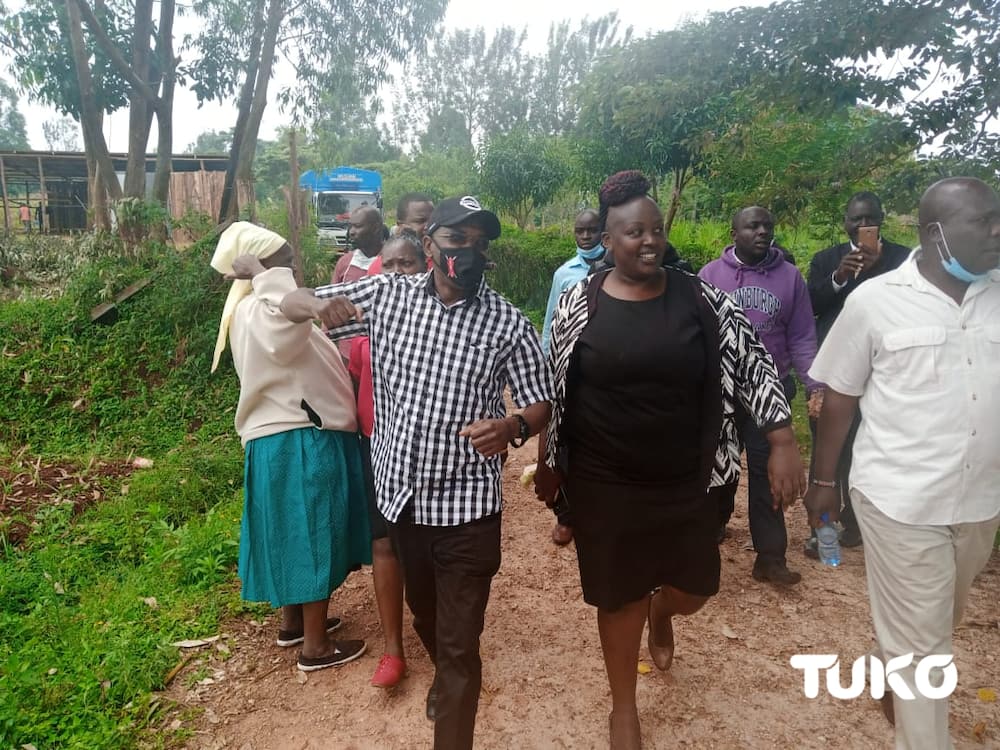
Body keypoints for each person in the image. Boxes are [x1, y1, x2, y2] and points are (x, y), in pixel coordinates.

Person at [535, 171, 804, 750]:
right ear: (608, 240)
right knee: (617, 593)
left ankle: (665, 611)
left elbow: (755, 362)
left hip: (690, 476)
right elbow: (558, 385)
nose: (649, 240)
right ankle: (624, 708)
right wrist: (549, 458)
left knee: (698, 588)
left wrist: (781, 438)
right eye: (634, 232)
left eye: (656, 229)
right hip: (605, 479)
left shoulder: (700, 297)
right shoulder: (579, 306)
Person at [281, 196, 553, 750]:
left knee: (460, 648)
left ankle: (452, 707)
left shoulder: (507, 322)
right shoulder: (387, 294)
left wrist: (511, 427)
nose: (470, 253)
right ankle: (441, 668)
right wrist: (314, 305)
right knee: (427, 617)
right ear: (429, 245)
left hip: (468, 508)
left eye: (480, 243)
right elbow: (289, 303)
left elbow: (540, 400)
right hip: (401, 499)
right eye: (458, 240)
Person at [806, 177, 1000, 750]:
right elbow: (839, 396)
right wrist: (823, 483)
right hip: (897, 500)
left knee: (942, 617)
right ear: (937, 234)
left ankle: (889, 653)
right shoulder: (876, 300)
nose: (997, 230)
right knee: (925, 653)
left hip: (980, 501)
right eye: (984, 220)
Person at [209, 221, 371, 672]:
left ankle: (293, 622)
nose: (295, 268)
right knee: (313, 531)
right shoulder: (267, 308)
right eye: (287, 261)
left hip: (278, 438)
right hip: (302, 434)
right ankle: (316, 647)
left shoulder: (249, 311)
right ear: (265, 269)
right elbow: (295, 305)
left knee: (289, 529)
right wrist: (275, 279)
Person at [698, 206, 819, 586]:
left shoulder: (790, 278)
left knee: (769, 471)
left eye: (768, 224)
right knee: (720, 467)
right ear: (734, 233)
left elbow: (801, 336)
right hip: (724, 390)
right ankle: (710, 532)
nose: (763, 231)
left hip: (772, 389)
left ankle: (770, 557)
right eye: (753, 226)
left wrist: (815, 386)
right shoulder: (710, 276)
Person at [804, 192, 912, 553]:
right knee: (825, 456)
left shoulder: (904, 260)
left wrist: (879, 267)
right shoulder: (826, 260)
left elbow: (911, 305)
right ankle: (823, 533)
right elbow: (813, 304)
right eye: (856, 219)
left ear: (882, 219)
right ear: (845, 222)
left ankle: (857, 526)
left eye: (870, 219)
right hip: (834, 372)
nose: (863, 226)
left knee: (870, 451)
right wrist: (840, 276)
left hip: (886, 375)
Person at [347, 233, 426, 688]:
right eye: (390, 264)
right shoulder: (366, 316)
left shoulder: (440, 317)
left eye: (407, 263)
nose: (398, 273)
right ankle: (392, 649)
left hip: (428, 446)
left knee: (428, 542)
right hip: (378, 442)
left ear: (425, 265)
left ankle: (436, 628)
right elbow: (357, 374)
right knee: (385, 543)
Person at [539, 208, 605, 545]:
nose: (586, 236)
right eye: (580, 230)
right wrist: (545, 367)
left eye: (593, 229)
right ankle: (565, 516)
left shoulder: (616, 268)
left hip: (607, 373)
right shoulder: (564, 274)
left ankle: (600, 512)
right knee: (563, 442)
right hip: (569, 373)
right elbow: (551, 322)